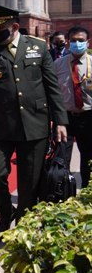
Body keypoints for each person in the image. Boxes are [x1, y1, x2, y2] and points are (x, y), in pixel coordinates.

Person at [0, 4, 68, 239]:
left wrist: (60, 120)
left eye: (1, 28)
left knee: (29, 181)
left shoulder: (38, 48)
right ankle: (5, 212)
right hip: (0, 124)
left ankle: (23, 225)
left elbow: (52, 87)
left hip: (34, 123)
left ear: (15, 27)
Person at [53, 25, 92, 189]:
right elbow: (52, 92)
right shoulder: (58, 64)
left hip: (88, 117)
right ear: (68, 43)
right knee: (62, 157)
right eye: (74, 41)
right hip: (65, 118)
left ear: (88, 43)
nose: (77, 44)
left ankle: (87, 190)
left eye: (81, 40)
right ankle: (62, 192)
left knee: (88, 158)